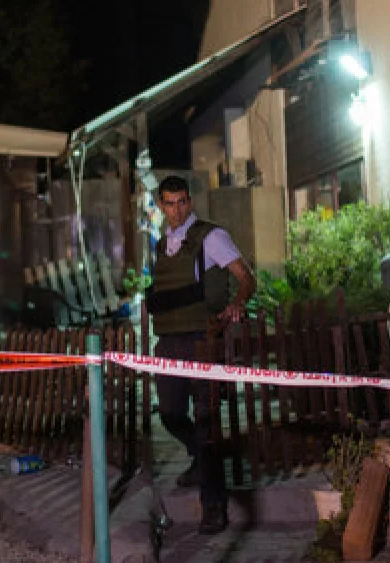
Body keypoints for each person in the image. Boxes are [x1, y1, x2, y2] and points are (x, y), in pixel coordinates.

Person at [146, 175, 255, 535]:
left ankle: (214, 507)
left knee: (206, 422)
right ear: (161, 206)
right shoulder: (162, 246)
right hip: (169, 342)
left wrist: (237, 304)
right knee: (170, 414)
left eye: (182, 202)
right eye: (169, 203)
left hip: (201, 340)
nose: (176, 210)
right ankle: (200, 458)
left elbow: (246, 277)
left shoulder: (211, 237)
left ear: (189, 202)